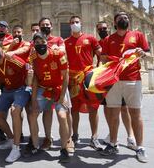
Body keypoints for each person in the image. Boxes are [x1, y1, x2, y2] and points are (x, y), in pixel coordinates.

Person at [100, 12, 151, 163]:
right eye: (120, 18)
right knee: (114, 114)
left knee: (136, 113)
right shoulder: (109, 39)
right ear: (115, 23)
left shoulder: (138, 35)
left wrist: (142, 53)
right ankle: (113, 144)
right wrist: (111, 60)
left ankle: (140, 147)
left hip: (133, 79)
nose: (124, 19)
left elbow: (148, 54)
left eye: (126, 17)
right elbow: (103, 58)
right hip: (114, 80)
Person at [25, 32, 71, 162]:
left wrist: (62, 96)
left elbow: (66, 76)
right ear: (34, 45)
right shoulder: (33, 57)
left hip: (58, 89)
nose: (40, 45)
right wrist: (33, 100)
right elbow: (34, 80)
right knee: (32, 114)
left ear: (47, 42)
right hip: (43, 89)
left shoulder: (58, 54)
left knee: (62, 116)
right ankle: (35, 145)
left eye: (43, 42)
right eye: (37, 43)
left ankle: (64, 148)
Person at [0, 38, 30, 163]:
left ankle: (16, 148)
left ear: (2, 49)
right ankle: (11, 139)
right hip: (7, 91)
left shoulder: (13, 60)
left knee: (15, 111)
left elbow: (29, 70)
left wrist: (31, 89)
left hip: (21, 89)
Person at [96, 21, 137, 150]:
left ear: (109, 27)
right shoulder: (98, 43)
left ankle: (130, 137)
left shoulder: (116, 39)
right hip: (105, 79)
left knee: (124, 108)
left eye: (104, 28)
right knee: (108, 108)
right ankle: (112, 134)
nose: (102, 30)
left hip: (120, 77)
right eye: (100, 29)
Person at [65, 16, 103, 151]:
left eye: (77, 22)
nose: (74, 24)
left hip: (88, 77)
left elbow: (101, 54)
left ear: (81, 24)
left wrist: (100, 69)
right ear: (69, 25)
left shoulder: (90, 38)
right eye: (72, 22)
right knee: (74, 109)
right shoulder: (66, 42)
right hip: (73, 80)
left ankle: (94, 137)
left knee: (93, 107)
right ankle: (75, 136)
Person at [35, 17, 65, 150]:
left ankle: (67, 141)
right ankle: (46, 138)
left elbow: (63, 54)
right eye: (42, 25)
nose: (45, 26)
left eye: (47, 24)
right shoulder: (35, 47)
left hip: (59, 83)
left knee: (64, 114)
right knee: (46, 111)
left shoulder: (58, 42)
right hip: (44, 85)